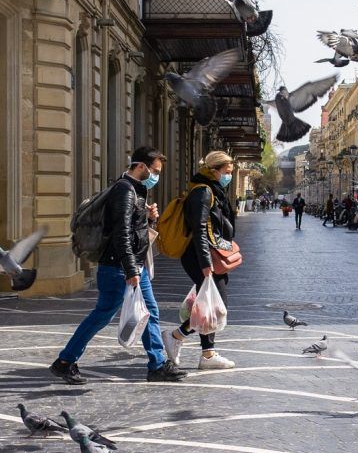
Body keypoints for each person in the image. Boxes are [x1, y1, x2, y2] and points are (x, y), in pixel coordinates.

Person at [50, 147, 185, 384]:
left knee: (150, 312)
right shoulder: (124, 191)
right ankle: (65, 361)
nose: (156, 177)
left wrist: (147, 217)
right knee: (102, 315)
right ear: (141, 166)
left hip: (131, 265)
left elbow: (130, 227)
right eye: (155, 171)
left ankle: (157, 364)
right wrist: (131, 269)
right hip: (119, 268)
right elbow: (120, 233)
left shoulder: (133, 190)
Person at [164, 151, 237, 371]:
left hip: (205, 254)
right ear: (214, 171)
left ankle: (207, 354)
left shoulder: (211, 190)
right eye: (226, 172)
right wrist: (206, 264)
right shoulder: (203, 192)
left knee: (209, 305)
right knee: (217, 306)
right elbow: (199, 229)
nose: (228, 176)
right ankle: (176, 336)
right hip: (200, 256)